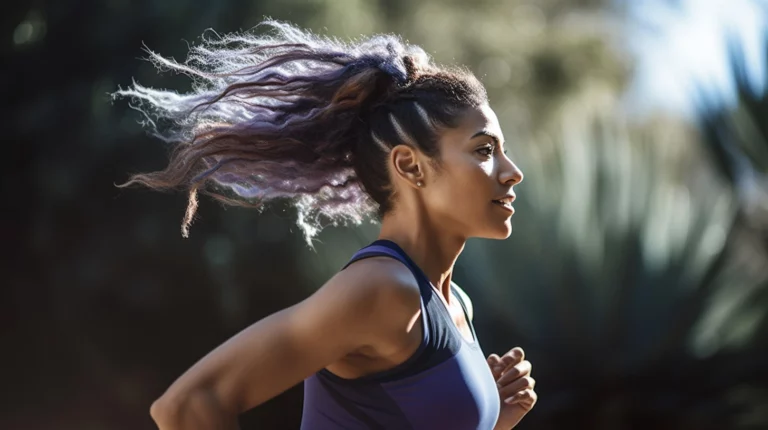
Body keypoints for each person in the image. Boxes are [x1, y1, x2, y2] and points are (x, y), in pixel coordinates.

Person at [115, 19, 535, 430]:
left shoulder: (453, 302)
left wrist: (494, 419)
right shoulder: (382, 291)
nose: (511, 171)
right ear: (410, 165)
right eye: (484, 150)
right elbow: (188, 405)